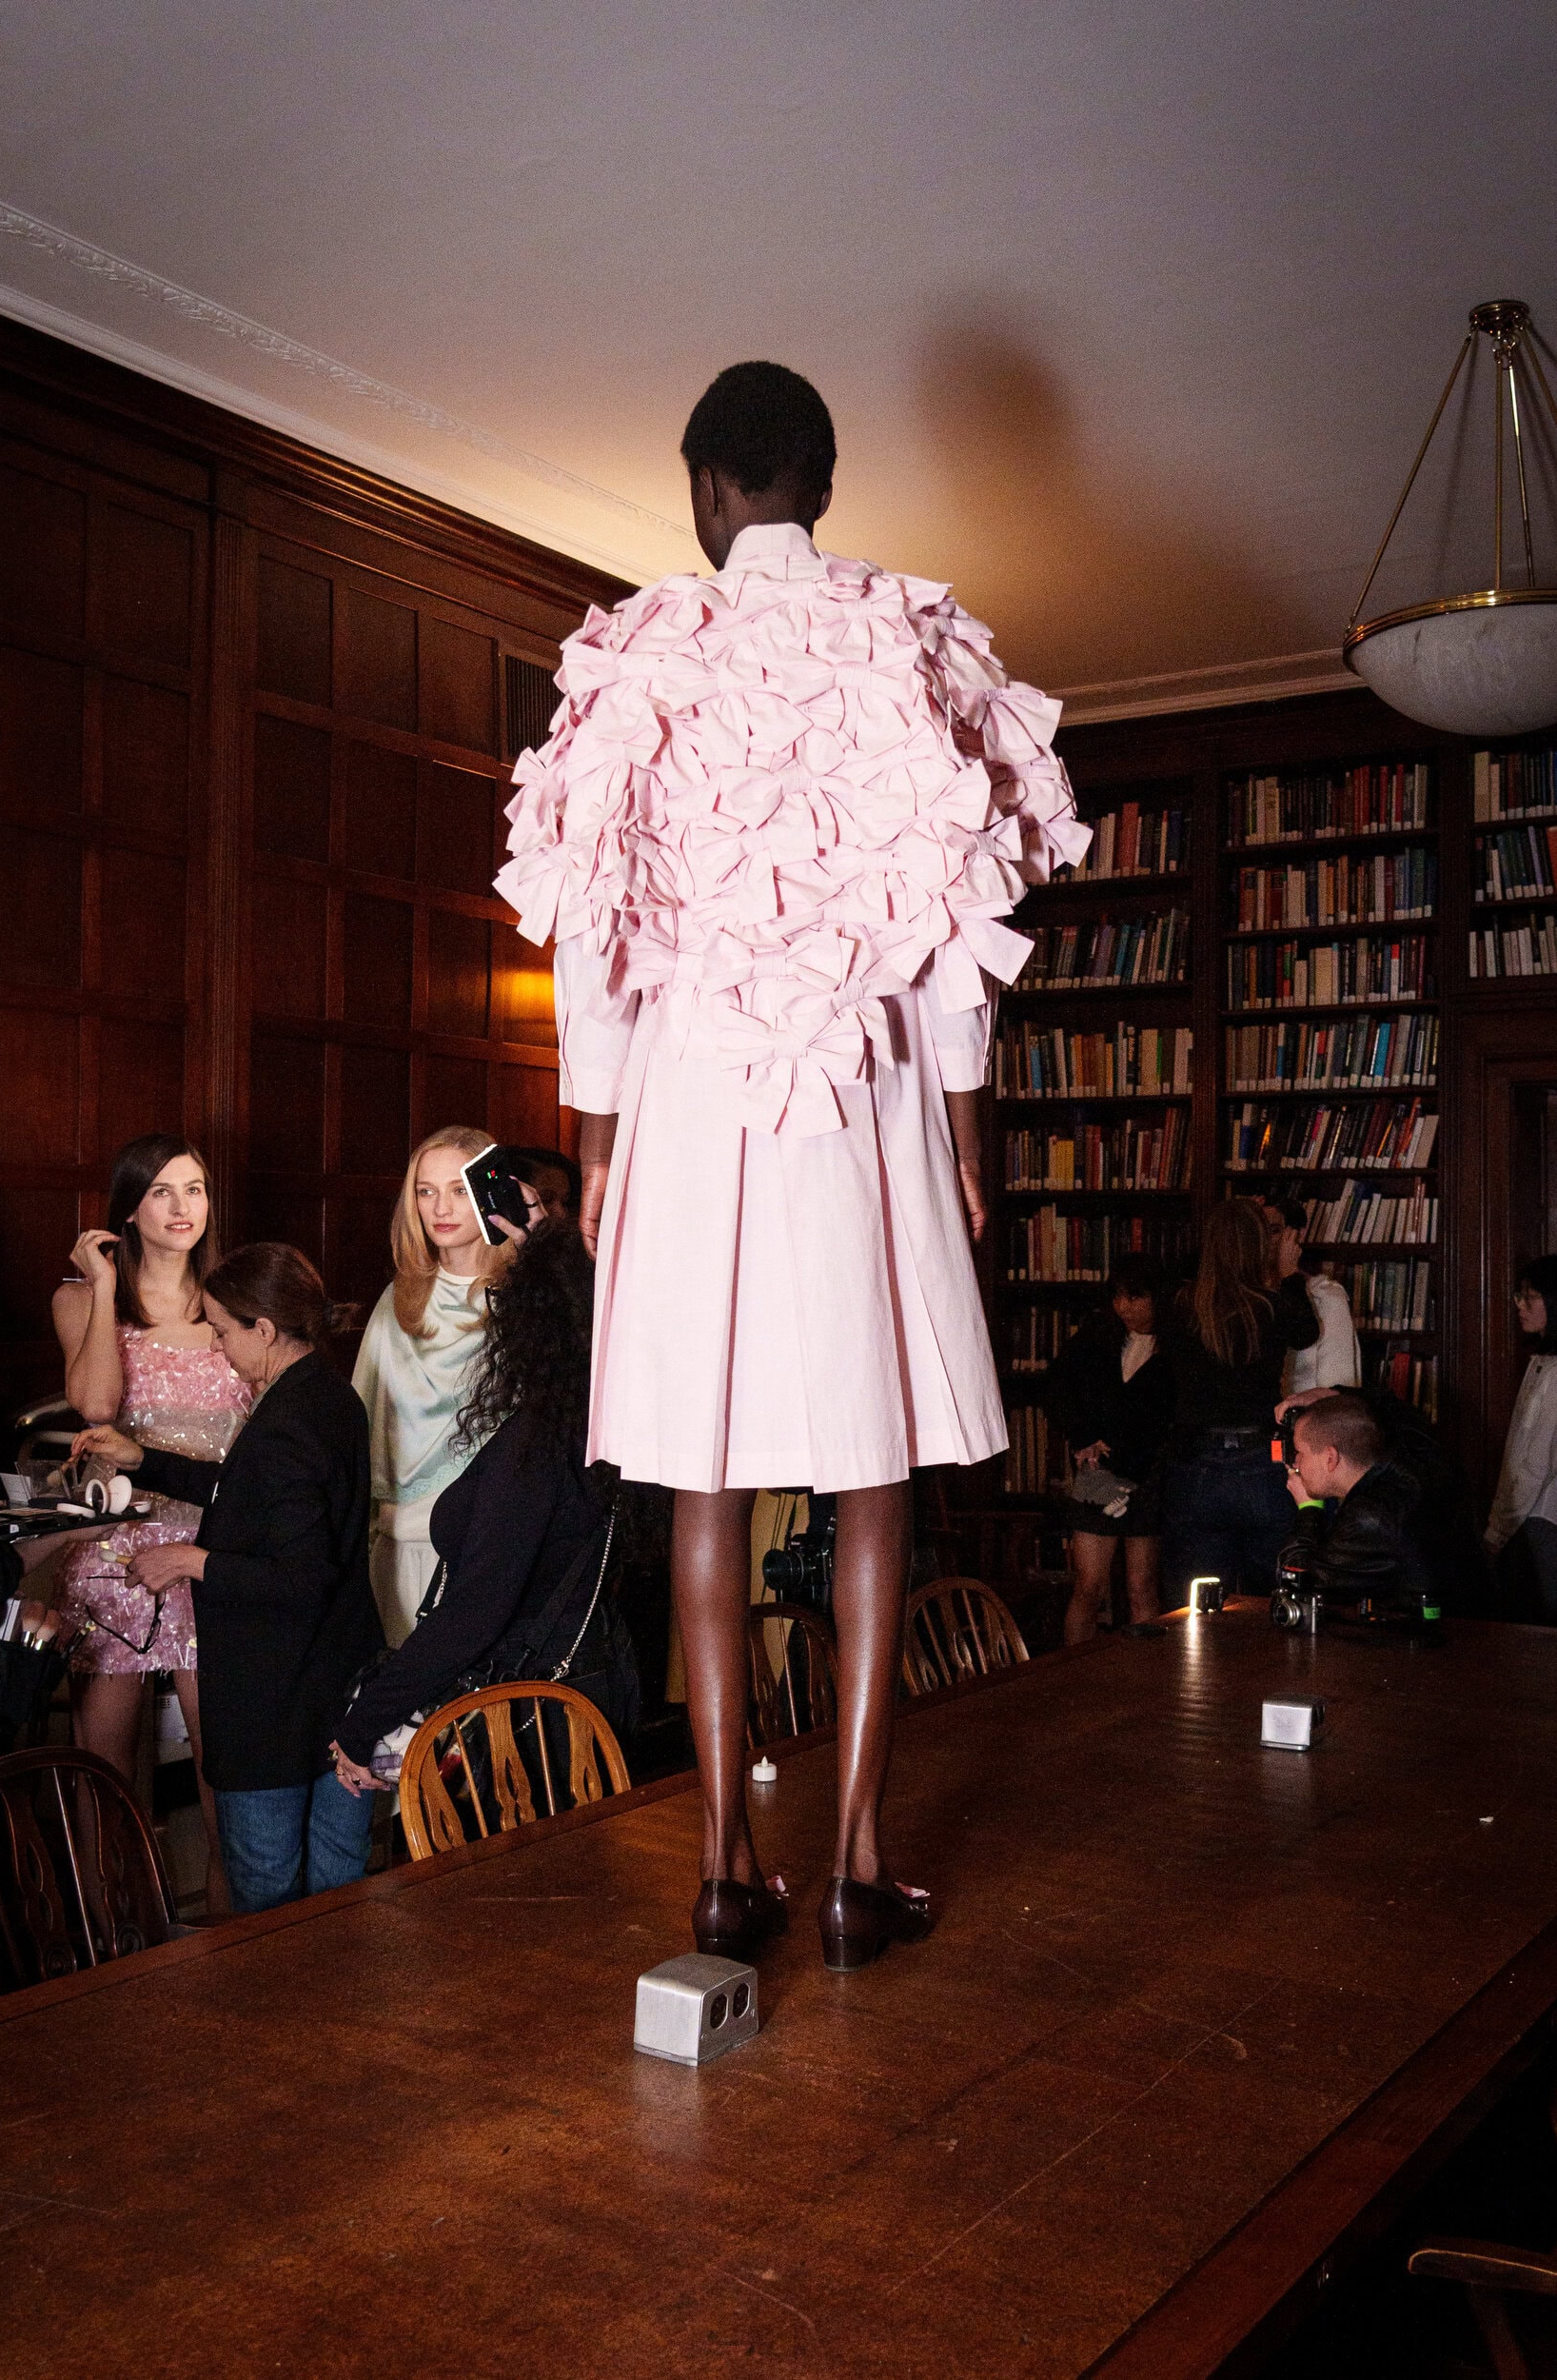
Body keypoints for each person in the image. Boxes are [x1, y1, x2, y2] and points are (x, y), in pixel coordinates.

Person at [497, 360, 1086, 1971]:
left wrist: (600, 1146)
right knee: (871, 1465)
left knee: (706, 1471)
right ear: (822, 484)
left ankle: (718, 1867)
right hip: (868, 1099)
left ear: (704, 490)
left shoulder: (639, 655)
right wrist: (967, 1134)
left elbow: (591, 942)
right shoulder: (914, 640)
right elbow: (967, 932)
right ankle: (855, 1863)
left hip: (694, 1102)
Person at [71, 1244, 384, 1915]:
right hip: (337, 1692)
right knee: (340, 1901)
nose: (217, 1347)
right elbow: (250, 1494)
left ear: (263, 1329)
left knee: (268, 1907)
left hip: (274, 1704)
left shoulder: (285, 1424)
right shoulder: (329, 1395)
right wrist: (144, 1460)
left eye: (221, 1330)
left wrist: (189, 1561)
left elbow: (300, 1578)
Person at [330, 1221, 647, 1800]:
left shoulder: (536, 1445)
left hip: (533, 1719)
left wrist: (362, 1723)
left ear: (529, 1325)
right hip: (592, 1686)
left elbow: (476, 1609)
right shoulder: (604, 1430)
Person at [49, 1134, 249, 1913]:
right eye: (162, 1192)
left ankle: (230, 1920)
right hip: (116, 1552)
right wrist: (102, 1288)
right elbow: (97, 1406)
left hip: (215, 1548)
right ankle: (112, 1926)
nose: (181, 1208)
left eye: (195, 1190)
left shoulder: (238, 1302)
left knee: (222, 1760)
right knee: (105, 1766)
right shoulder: (79, 1297)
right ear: (128, 1208)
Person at [351, 1127, 529, 1647]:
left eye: (459, 1190)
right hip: (397, 1535)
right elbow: (362, 1416)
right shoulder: (399, 1297)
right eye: (426, 1191)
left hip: (486, 1540)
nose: (441, 1208)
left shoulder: (524, 1299)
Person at [1163, 1200, 1319, 1602]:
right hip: (1259, 1457)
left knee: (1196, 1602)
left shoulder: (1183, 1306)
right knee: (1269, 1597)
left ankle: (1198, 1666)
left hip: (1197, 1459)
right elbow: (1305, 1331)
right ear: (1256, 1247)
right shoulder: (1269, 1305)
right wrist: (1289, 1275)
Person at [1042, 1254, 1170, 1644]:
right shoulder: (1098, 1333)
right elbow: (1057, 1387)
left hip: (1149, 1475)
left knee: (1142, 1588)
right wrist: (1081, 1437)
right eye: (1117, 1297)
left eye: (1135, 1297)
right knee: (1088, 1586)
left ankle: (1147, 1686)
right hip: (1102, 1471)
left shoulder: (1178, 1343)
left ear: (1157, 1297)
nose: (1124, 1307)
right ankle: (1075, 1680)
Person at [1277, 1392, 1433, 1615]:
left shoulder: (1368, 1515)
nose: (1295, 1462)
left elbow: (1302, 1582)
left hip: (1413, 1642)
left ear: (1330, 1458)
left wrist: (1308, 1509)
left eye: (1300, 1452)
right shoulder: (1401, 1475)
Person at [1485, 1256, 1557, 1619]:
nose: (1519, 1305)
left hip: (1543, 1519)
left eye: (1529, 1296)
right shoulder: (1541, 1361)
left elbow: (1533, 1463)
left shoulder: (1554, 1372)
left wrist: (1497, 1531)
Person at [1259, 1193, 1359, 1398]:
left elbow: (1337, 1384)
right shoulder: (1248, 1296)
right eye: (1255, 1232)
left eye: (1273, 1231)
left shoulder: (1325, 1296)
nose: (1262, 1242)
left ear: (1298, 1235)